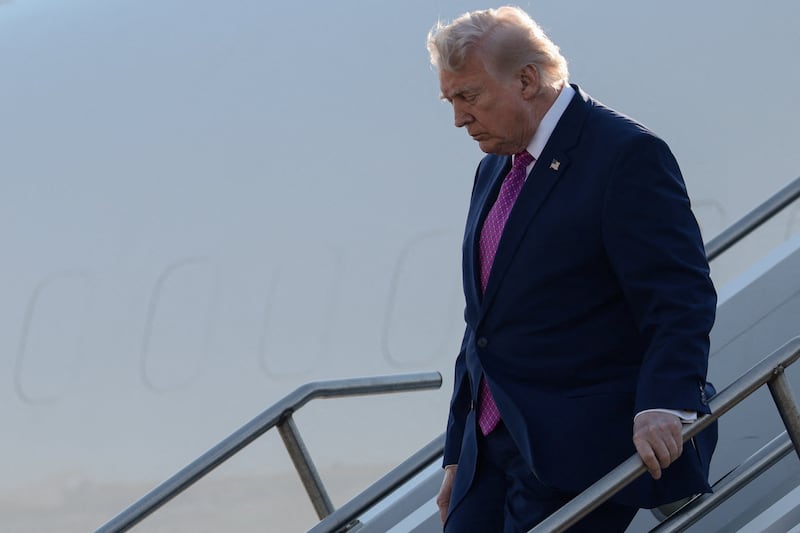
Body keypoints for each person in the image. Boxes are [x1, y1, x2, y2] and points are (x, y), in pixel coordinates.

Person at [426, 6, 718, 532]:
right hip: (490, 449)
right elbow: (484, 324)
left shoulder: (625, 154)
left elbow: (679, 296)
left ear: (527, 79)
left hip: (579, 445)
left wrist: (666, 403)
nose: (458, 119)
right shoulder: (494, 166)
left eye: (469, 97)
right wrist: (457, 451)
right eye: (451, 101)